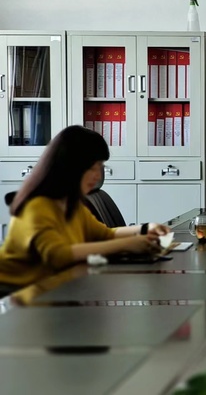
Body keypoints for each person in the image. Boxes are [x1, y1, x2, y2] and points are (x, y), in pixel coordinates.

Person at [0, 126, 170, 294]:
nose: (98, 175)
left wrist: (146, 228)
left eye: (100, 167)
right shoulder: (37, 206)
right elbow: (57, 255)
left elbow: (106, 234)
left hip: (52, 288)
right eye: (92, 168)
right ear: (70, 166)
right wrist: (127, 245)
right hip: (16, 293)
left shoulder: (71, 205)